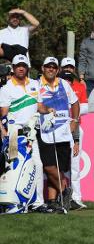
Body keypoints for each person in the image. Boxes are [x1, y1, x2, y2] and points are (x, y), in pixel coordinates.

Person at [0, 55, 53, 213]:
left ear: (27, 67)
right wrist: (4, 134)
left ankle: (36, 202)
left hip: (31, 133)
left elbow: (39, 106)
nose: (21, 68)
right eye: (18, 66)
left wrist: (48, 110)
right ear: (13, 68)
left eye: (23, 65)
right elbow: (2, 114)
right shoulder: (6, 88)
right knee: (12, 167)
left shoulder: (35, 85)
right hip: (14, 134)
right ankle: (13, 202)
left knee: (37, 165)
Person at [37, 57, 80, 212]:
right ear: (43, 68)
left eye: (54, 67)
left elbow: (75, 103)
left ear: (57, 69)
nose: (51, 69)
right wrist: (45, 110)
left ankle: (52, 200)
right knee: (49, 166)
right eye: (48, 66)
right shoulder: (37, 84)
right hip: (45, 131)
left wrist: (74, 120)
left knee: (59, 167)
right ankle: (65, 189)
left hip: (63, 132)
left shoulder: (64, 84)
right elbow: (38, 104)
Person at [59, 57, 88, 210]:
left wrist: (71, 112)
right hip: (59, 129)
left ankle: (76, 197)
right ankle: (62, 197)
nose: (68, 70)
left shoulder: (80, 87)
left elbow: (84, 108)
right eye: (66, 68)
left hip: (75, 128)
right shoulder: (56, 87)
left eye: (71, 68)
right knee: (61, 165)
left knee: (75, 165)